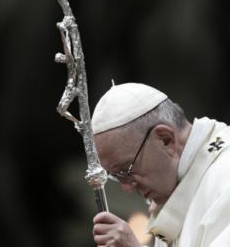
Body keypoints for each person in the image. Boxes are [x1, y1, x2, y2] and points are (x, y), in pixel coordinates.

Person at [90, 82, 230, 247]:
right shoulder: (174, 191)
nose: (127, 188)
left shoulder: (225, 177)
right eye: (116, 176)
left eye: (127, 170)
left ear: (165, 140)